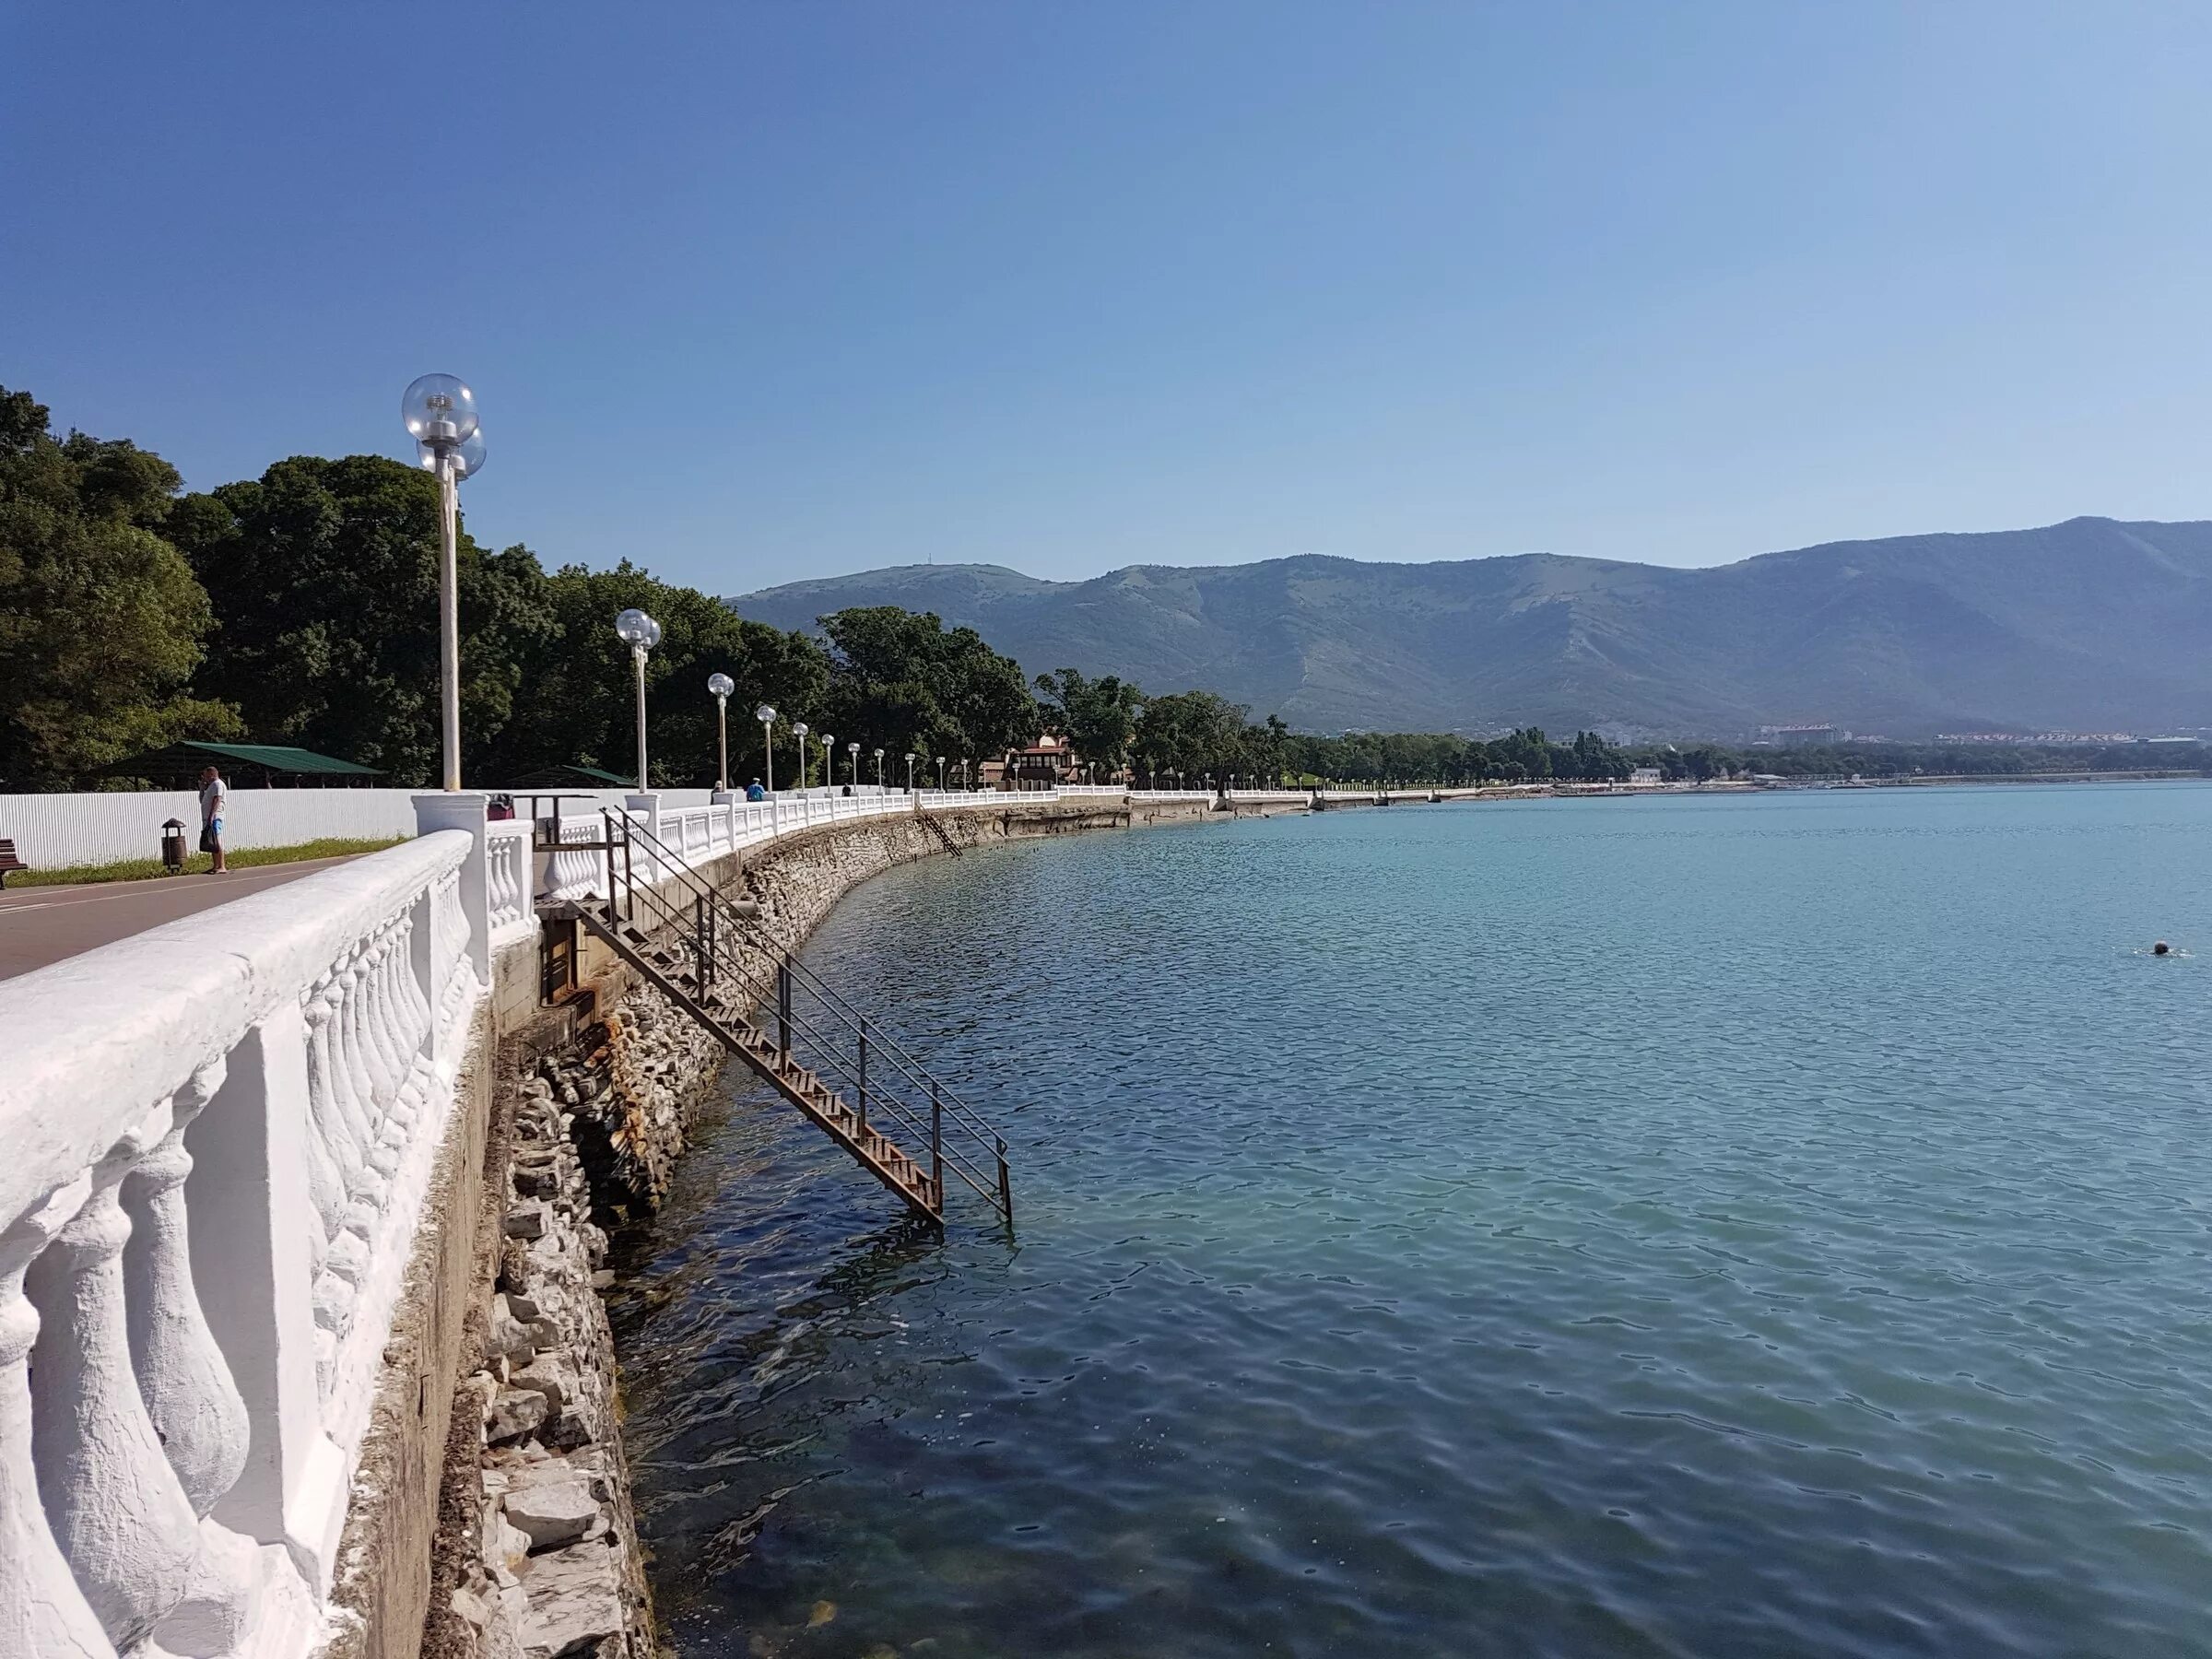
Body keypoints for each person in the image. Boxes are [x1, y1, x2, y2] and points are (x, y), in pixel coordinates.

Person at [198, 765, 229, 874]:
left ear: (211, 774)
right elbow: (202, 800)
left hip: (215, 817)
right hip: (209, 818)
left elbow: (217, 799)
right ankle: (216, 865)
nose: (204, 778)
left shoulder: (217, 784)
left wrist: (212, 815)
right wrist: (202, 788)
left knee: (217, 841)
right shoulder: (211, 786)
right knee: (212, 842)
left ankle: (222, 866)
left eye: (205, 775)